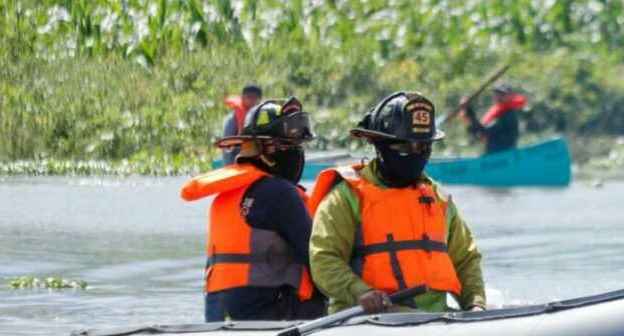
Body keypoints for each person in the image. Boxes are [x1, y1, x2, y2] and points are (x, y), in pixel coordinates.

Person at [308, 91, 487, 314]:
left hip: (435, 323)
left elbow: (466, 259)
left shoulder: (439, 199)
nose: (415, 154)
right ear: (379, 146)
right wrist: (361, 292)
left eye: (423, 147)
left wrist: (476, 304)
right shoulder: (346, 199)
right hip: (367, 320)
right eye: (404, 148)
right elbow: (324, 258)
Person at [182, 97, 327, 321]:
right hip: (270, 317)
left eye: (297, 147)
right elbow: (319, 261)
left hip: (224, 317)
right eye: (283, 146)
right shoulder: (281, 193)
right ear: (258, 148)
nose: (293, 153)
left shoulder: (226, 194)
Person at [460, 82, 525, 154]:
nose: (499, 97)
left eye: (502, 94)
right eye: (497, 94)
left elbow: (486, 131)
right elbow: (480, 135)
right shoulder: (498, 113)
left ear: (511, 96)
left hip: (504, 157)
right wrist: (468, 122)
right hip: (494, 156)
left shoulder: (509, 116)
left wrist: (470, 111)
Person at [220, 83, 264, 166]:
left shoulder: (266, 115)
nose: (252, 100)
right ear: (243, 99)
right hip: (239, 164)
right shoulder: (232, 120)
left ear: (261, 99)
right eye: (249, 97)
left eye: (256, 97)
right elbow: (227, 150)